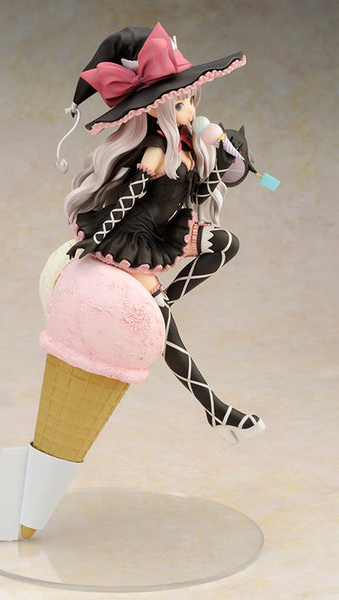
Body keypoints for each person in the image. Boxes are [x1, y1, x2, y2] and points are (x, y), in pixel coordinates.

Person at [60, 23, 265, 445]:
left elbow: (196, 197)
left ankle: (162, 301)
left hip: (164, 233)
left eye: (192, 100)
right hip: (132, 240)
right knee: (168, 334)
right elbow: (129, 196)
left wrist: (222, 167)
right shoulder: (156, 150)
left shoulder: (188, 145)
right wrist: (96, 238)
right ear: (157, 110)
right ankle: (214, 407)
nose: (190, 110)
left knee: (225, 244)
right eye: (181, 103)